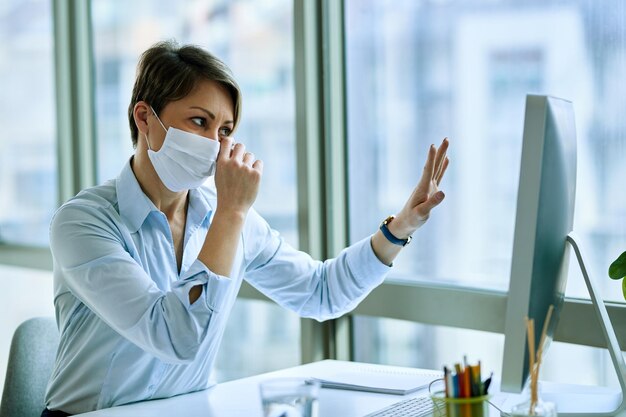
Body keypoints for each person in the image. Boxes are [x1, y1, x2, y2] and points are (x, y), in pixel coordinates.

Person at [42, 40, 449, 416]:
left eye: (224, 131)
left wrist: (400, 227)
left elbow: (322, 292)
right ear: (145, 118)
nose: (216, 146)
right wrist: (230, 215)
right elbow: (173, 336)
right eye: (199, 121)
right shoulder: (83, 222)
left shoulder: (224, 214)